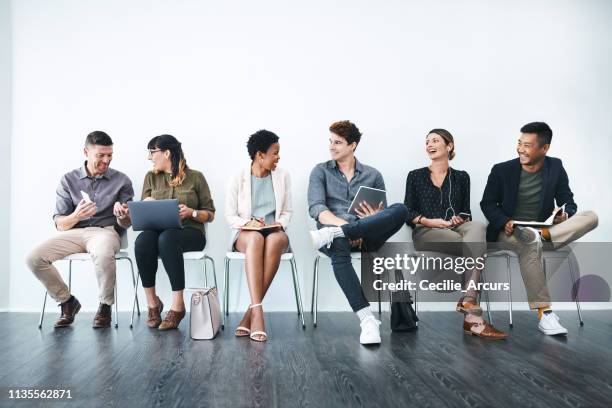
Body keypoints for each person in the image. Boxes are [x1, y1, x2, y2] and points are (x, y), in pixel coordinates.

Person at [481, 122, 598, 336]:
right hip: (510, 230)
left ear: (544, 148)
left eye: (527, 145)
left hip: (543, 229)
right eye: (519, 143)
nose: (520, 149)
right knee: (528, 242)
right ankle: (545, 313)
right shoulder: (501, 170)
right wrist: (504, 220)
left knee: (591, 217)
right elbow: (487, 204)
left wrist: (565, 214)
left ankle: (543, 235)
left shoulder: (555, 166)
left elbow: (567, 200)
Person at [308, 120, 409, 345]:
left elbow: (382, 215)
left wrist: (372, 218)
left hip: (365, 234)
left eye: (338, 142)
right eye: (330, 141)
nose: (331, 147)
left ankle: (341, 233)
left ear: (353, 145)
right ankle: (367, 320)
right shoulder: (320, 171)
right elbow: (317, 209)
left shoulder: (373, 174)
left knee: (401, 209)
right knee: (339, 245)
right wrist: (344, 228)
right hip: (331, 231)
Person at [404, 129, 507, 339]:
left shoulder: (461, 177)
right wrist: (428, 221)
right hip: (427, 231)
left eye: (435, 140)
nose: (429, 145)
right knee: (475, 246)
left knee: (477, 227)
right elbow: (408, 212)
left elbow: (466, 212)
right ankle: (473, 315)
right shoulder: (415, 176)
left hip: (456, 229)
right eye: (427, 142)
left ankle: (469, 301)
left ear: (449, 146)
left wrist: (460, 219)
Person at [26, 131, 134, 328]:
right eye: (100, 155)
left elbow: (126, 224)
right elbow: (60, 224)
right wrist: (77, 215)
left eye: (109, 155)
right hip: (74, 233)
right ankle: (67, 301)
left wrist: (123, 216)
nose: (106, 160)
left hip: (106, 231)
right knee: (34, 258)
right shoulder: (68, 180)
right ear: (86, 152)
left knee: (102, 253)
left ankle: (104, 306)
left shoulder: (122, 181)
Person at [132, 135, 215, 330]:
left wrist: (192, 212)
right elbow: (143, 210)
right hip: (158, 233)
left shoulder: (196, 177)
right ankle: (153, 304)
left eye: (152, 152)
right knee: (143, 241)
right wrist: (146, 204)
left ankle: (178, 305)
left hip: (191, 233)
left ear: (166, 153)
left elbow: (210, 214)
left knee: (167, 238)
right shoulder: (150, 177)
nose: (149, 157)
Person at [225, 130, 292, 342]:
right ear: (259, 155)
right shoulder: (238, 177)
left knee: (272, 239)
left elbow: (287, 211)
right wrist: (248, 223)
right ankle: (258, 314)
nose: (278, 157)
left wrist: (277, 224)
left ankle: (251, 312)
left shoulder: (283, 176)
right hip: (246, 234)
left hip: (275, 231)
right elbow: (230, 215)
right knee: (256, 238)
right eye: (275, 153)